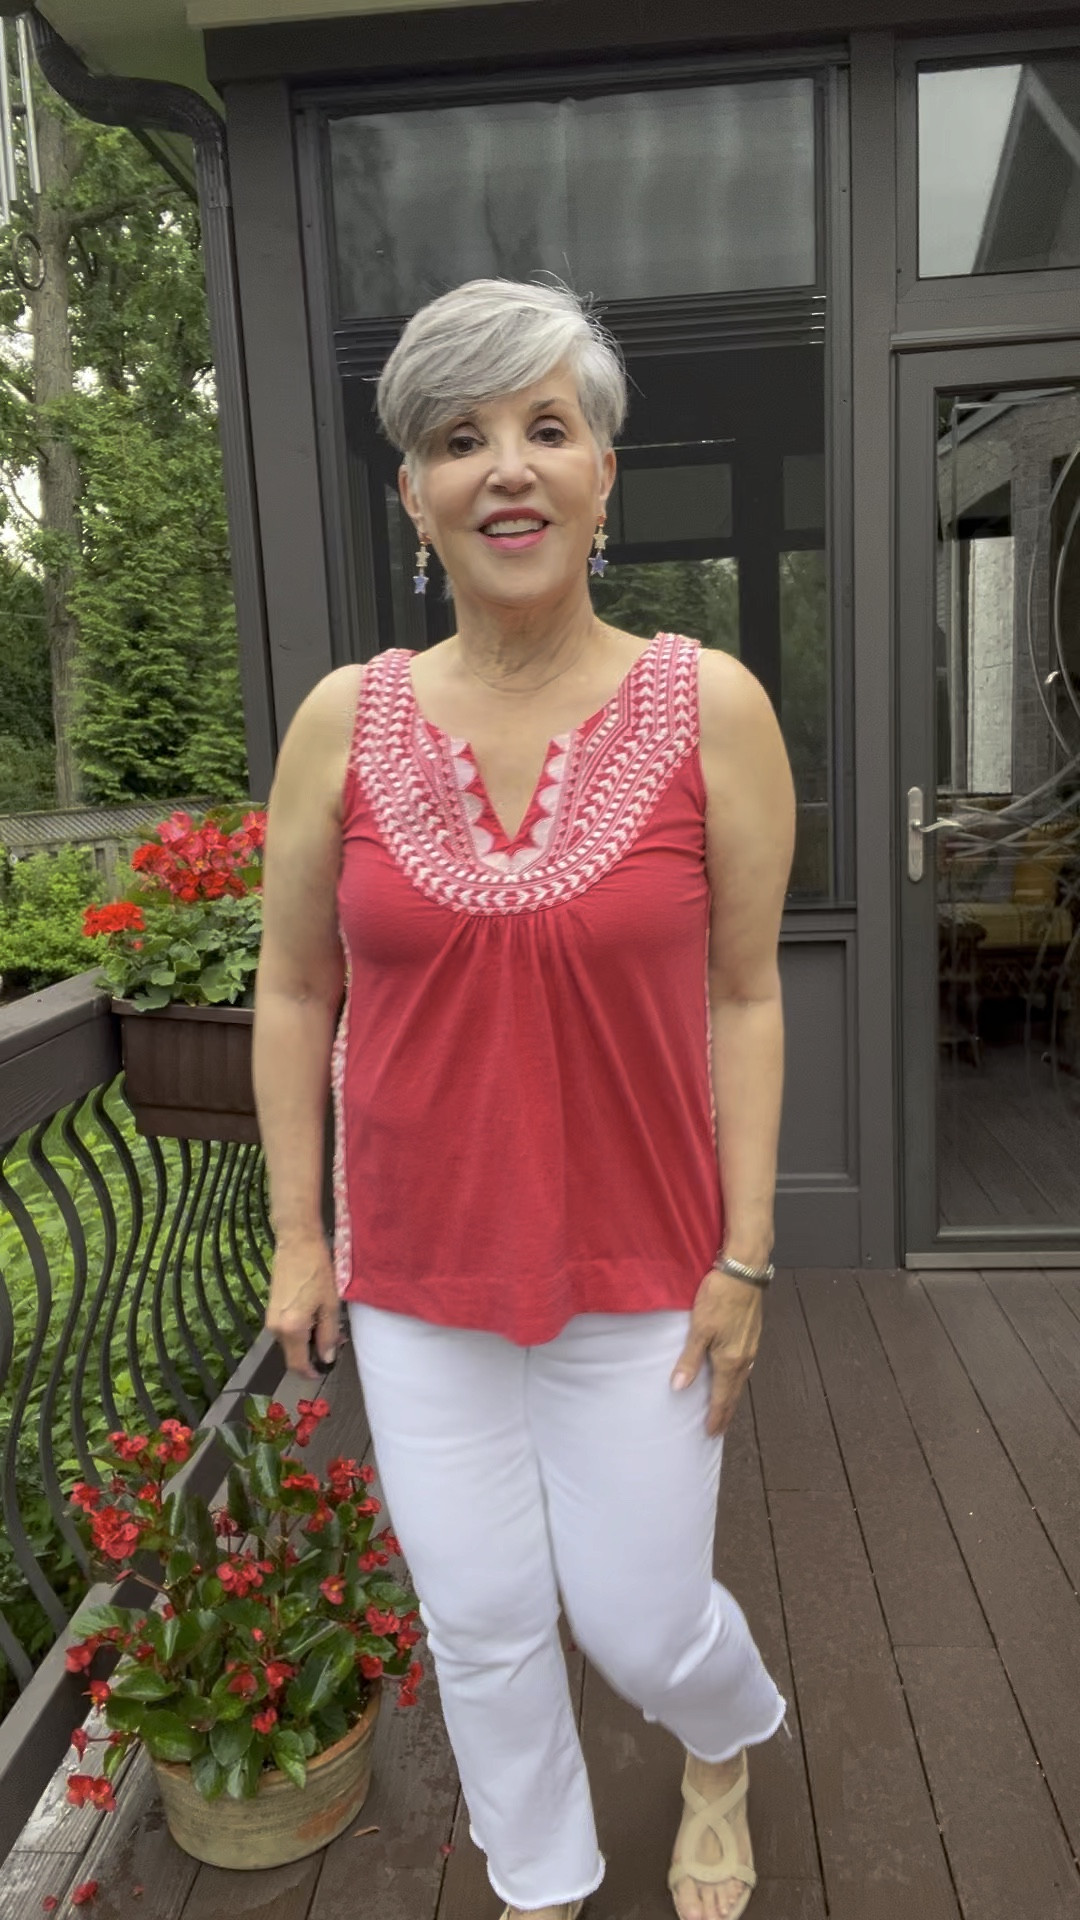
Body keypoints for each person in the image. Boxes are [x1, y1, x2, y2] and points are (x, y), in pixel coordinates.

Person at [255, 277, 795, 1920]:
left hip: (645, 1271)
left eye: (545, 429)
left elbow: (747, 993)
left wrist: (749, 1253)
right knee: (482, 1616)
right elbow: (293, 989)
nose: (508, 468)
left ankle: (726, 1736)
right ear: (413, 493)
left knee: (641, 1618)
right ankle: (540, 1877)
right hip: (419, 1275)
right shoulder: (343, 724)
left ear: (601, 473)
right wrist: (299, 1236)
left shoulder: (710, 709)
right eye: (459, 437)